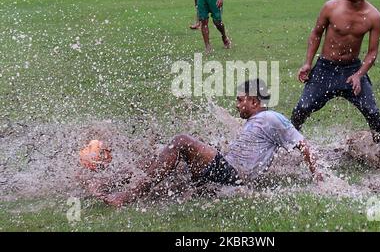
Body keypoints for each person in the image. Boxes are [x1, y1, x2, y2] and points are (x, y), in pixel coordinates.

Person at [87, 79, 322, 207]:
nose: (237, 105)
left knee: (180, 141)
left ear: (253, 100)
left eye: (240, 100)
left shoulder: (273, 118)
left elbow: (304, 144)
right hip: (227, 168)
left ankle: (126, 197)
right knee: (161, 154)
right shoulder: (259, 119)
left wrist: (319, 178)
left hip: (234, 176)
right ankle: (109, 182)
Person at [291, 0, 380, 143]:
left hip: (352, 71)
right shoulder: (331, 7)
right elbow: (316, 33)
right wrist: (307, 63)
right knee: (302, 108)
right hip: (325, 68)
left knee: (372, 112)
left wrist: (359, 75)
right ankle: (288, 145)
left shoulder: (374, 16)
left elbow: (372, 52)